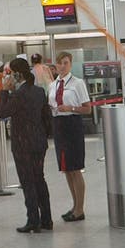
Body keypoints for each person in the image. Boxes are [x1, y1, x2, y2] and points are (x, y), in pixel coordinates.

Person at [0, 57, 54, 233]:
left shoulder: (18, 95)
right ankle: (46, 219)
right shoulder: (38, 92)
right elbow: (46, 117)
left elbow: (3, 113)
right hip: (38, 142)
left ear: (17, 75)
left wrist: (4, 92)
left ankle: (33, 220)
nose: (8, 77)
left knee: (28, 181)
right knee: (39, 179)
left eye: (10, 74)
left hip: (23, 144)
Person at [51, 51, 91, 221]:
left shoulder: (77, 83)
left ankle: (80, 209)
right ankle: (74, 206)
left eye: (65, 63)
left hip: (72, 125)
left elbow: (87, 108)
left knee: (75, 168)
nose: (62, 66)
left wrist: (71, 108)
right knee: (66, 169)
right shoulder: (53, 85)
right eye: (59, 63)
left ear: (71, 64)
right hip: (59, 126)